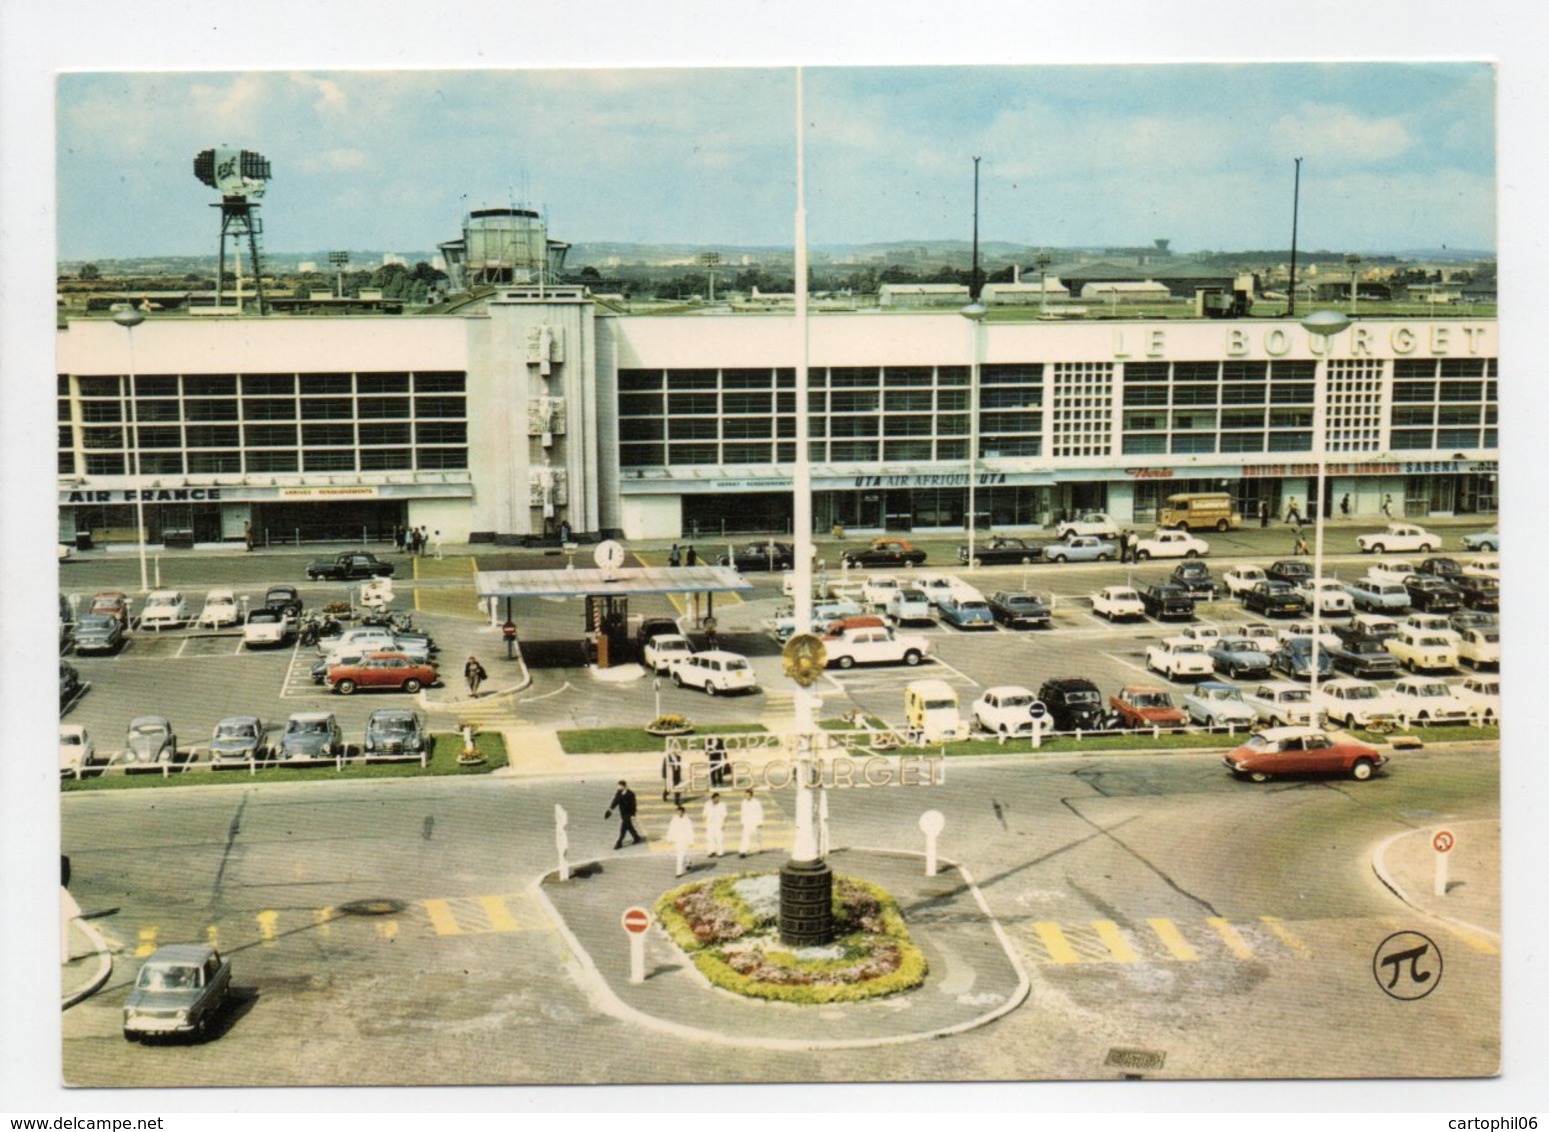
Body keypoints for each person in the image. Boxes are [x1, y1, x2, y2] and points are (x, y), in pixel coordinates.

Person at [605, 781, 644, 850]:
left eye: (620, 786)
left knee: (623, 828)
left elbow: (633, 805)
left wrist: (633, 814)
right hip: (623, 813)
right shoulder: (619, 792)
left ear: (624, 786)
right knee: (629, 826)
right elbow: (615, 801)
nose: (618, 787)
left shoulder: (631, 794)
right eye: (618, 786)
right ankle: (636, 837)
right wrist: (610, 809)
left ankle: (619, 842)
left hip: (628, 814)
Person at [666, 804, 695, 876]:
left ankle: (679, 872)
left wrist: (691, 841)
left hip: (684, 839)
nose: (679, 813)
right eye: (677, 812)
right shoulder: (674, 820)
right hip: (677, 839)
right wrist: (669, 838)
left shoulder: (687, 820)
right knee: (681, 853)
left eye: (680, 812)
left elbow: (690, 831)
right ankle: (688, 861)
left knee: (680, 855)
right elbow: (671, 829)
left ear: (683, 812)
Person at [738, 789, 765, 858]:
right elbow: (742, 812)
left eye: (748, 795)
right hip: (747, 822)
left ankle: (759, 848)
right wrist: (742, 821)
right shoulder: (744, 802)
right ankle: (743, 851)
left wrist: (760, 822)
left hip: (755, 822)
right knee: (745, 837)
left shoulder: (756, 802)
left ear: (751, 795)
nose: (747, 796)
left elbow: (760, 812)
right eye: (746, 795)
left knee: (756, 836)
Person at [702, 792, 728, 858]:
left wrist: (724, 824)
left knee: (719, 838)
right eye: (716, 798)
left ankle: (720, 853)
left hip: (719, 824)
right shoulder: (707, 804)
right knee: (710, 838)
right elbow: (704, 814)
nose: (718, 800)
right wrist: (704, 824)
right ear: (713, 798)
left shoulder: (722, 804)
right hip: (710, 824)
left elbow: (725, 815)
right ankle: (711, 851)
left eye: (719, 798)